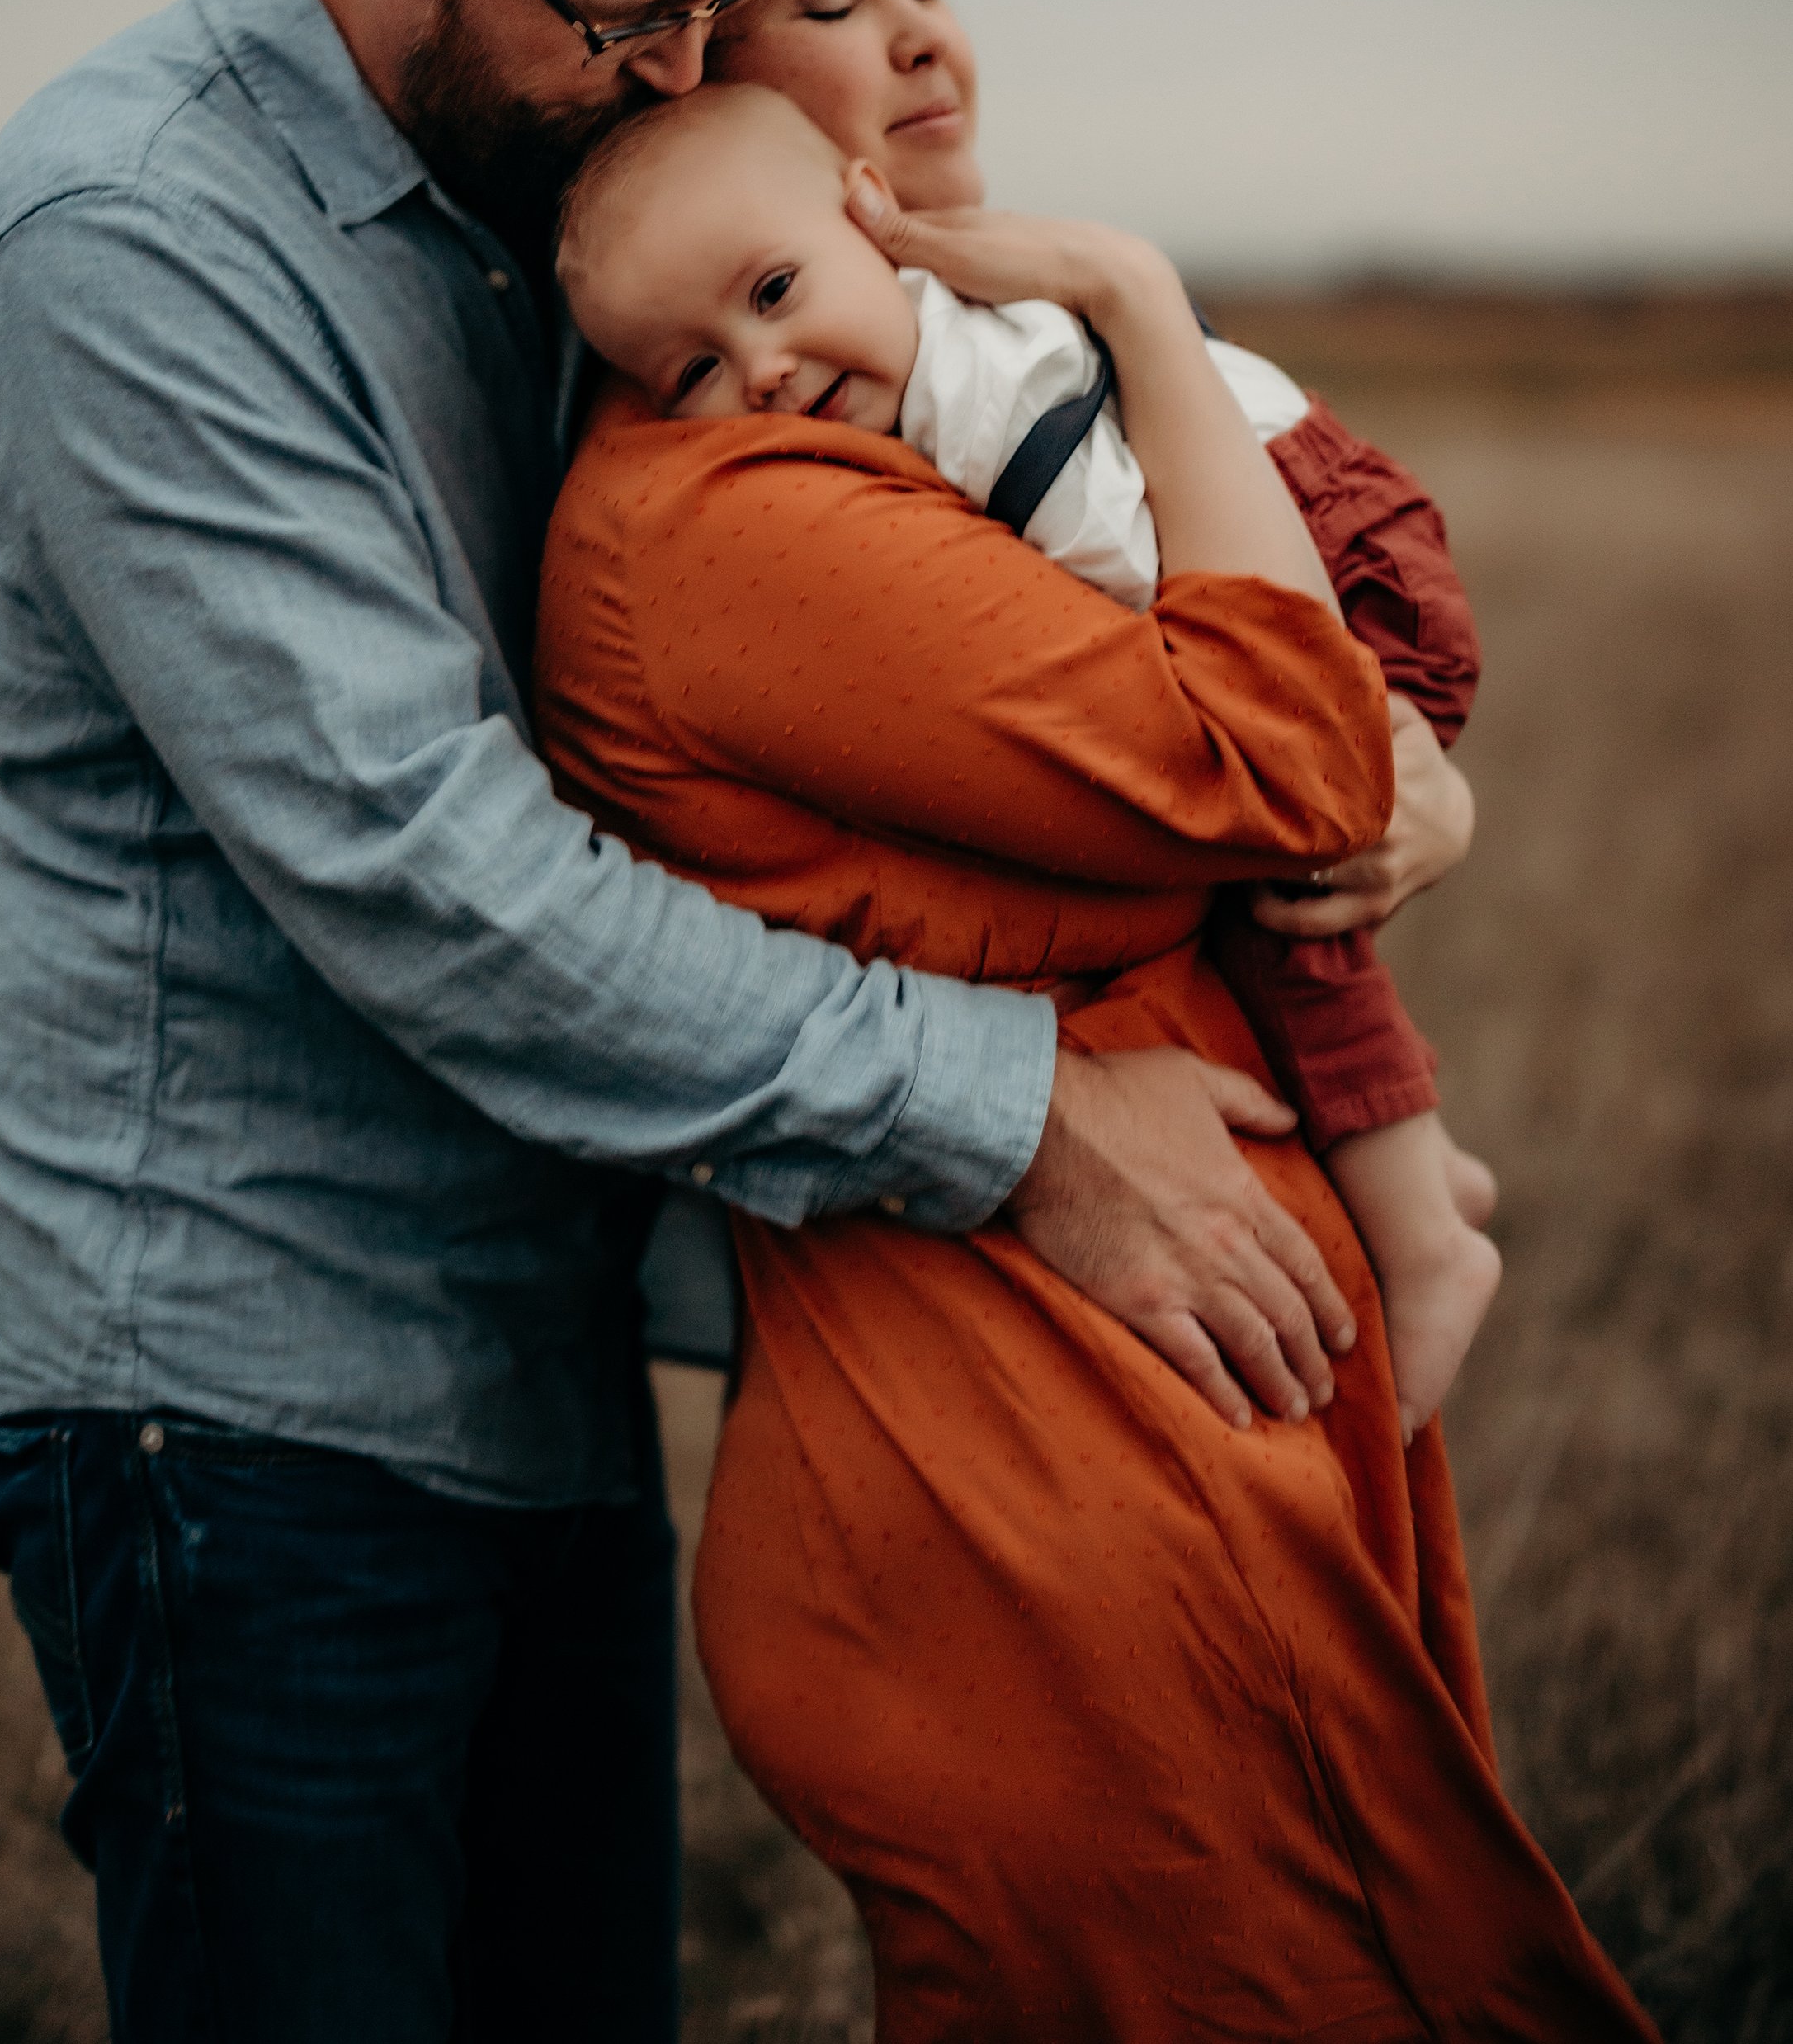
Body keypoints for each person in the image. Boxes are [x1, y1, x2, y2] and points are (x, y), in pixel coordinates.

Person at [0, 0, 1375, 2044]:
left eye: (729, 2)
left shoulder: (548, 192)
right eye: (632, 13)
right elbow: (432, 872)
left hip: (534, 1366)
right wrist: (1019, 1108)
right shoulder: (137, 231)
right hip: (229, 1397)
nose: (691, 73)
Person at [536, 109, 1659, 2038]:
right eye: (690, 366)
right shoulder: (741, 510)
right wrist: (1132, 293)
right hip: (1044, 1447)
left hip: (1174, 1354)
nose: (752, 376)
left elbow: (1315, 777)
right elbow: (1293, 766)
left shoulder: (933, 398)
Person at [555, 76, 1503, 1433]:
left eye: (772, 291)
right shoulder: (895, 393)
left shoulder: (990, 403)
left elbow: (1211, 672)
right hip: (1291, 514)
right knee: (1275, 888)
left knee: (1286, 885)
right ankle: (1422, 1177)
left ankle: (1422, 1228)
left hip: (1331, 545)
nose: (758, 368)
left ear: (869, 217)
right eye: (694, 371)